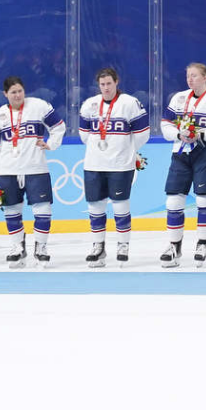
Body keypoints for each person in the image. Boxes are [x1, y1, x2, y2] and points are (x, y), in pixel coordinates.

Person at [155, 63, 206, 267]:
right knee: (173, 200)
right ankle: (174, 247)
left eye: (195, 76)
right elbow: (165, 125)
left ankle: (202, 243)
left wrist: (200, 134)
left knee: (204, 198)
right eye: (188, 76)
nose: (190, 79)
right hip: (180, 153)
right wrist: (178, 134)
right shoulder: (178, 98)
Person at [0, 76, 64, 268]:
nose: (17, 95)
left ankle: (41, 247)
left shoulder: (39, 106)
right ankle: (17, 247)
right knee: (12, 210)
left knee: (43, 210)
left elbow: (59, 126)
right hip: (7, 170)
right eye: (13, 92)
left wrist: (51, 144)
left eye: (20, 90)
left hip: (35, 168)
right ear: (5, 94)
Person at [77, 67, 149, 267]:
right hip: (94, 164)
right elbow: (84, 135)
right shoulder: (89, 105)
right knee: (95, 206)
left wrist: (126, 150)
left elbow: (143, 133)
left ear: (117, 82)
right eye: (102, 84)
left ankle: (122, 245)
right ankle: (98, 247)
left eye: (109, 83)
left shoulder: (130, 103)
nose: (106, 88)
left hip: (120, 165)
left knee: (120, 205)